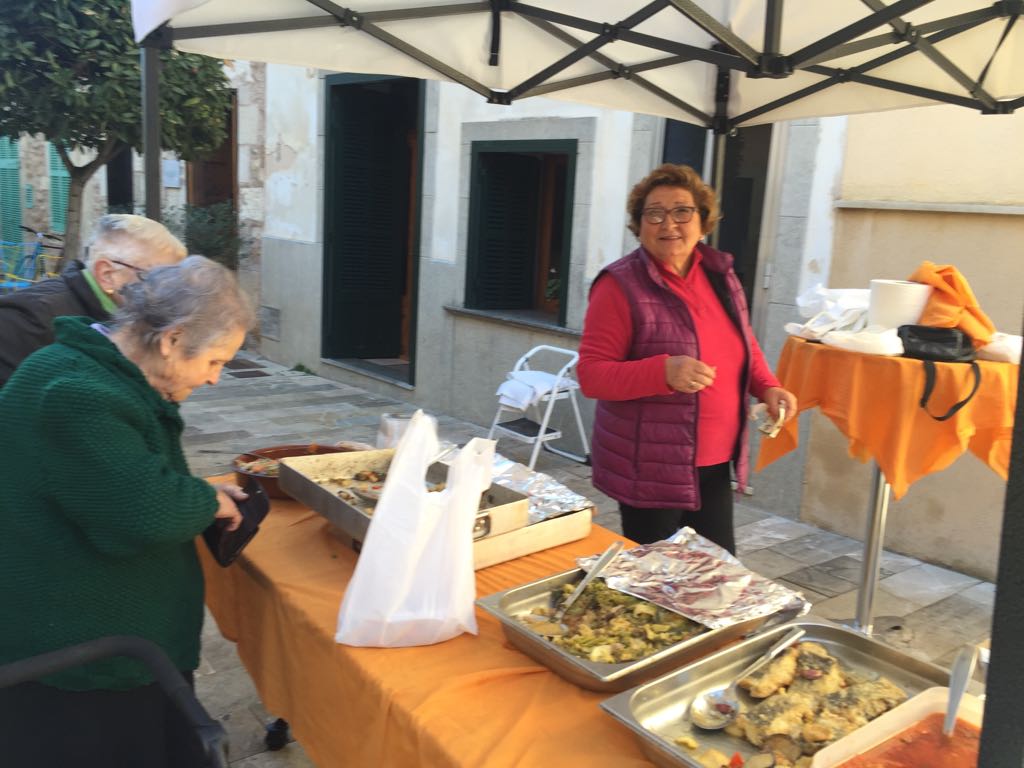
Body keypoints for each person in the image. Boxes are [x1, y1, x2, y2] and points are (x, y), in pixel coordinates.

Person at [0, 255, 254, 766]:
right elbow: (145, 514)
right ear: (172, 339)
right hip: (83, 660)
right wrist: (206, 500)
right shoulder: (77, 393)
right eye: (215, 361)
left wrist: (193, 493)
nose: (215, 379)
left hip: (110, 644)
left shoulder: (94, 372)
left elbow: (116, 478)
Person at [578, 163, 797, 552]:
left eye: (682, 211)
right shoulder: (619, 285)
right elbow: (592, 376)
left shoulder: (719, 274)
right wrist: (663, 372)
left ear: (702, 220)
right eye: (654, 213)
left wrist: (767, 386)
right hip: (651, 466)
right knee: (657, 578)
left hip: (714, 460)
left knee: (717, 571)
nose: (669, 224)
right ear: (639, 224)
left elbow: (742, 341)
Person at [0, 213, 186, 388]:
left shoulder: (119, 314)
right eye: (157, 279)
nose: (168, 294)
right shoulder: (30, 317)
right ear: (107, 275)